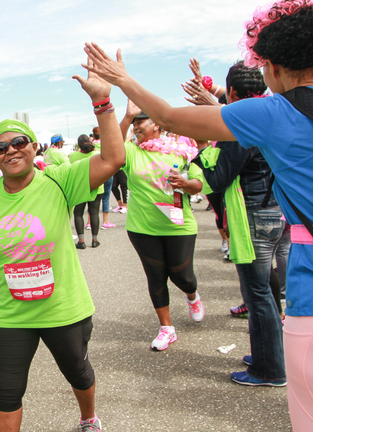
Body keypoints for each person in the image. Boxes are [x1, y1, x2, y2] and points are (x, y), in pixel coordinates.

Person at [82, 1, 312, 428]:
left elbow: (171, 117)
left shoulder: (275, 111)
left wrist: (121, 81)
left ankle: (268, 365)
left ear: (275, 67)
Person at [0, 56, 125, 432]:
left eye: (19, 142)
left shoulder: (60, 180)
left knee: (78, 372)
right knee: (6, 392)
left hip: (64, 309)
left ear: (32, 147)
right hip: (12, 316)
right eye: (1, 148)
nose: (11, 150)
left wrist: (103, 104)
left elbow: (113, 158)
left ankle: (88, 418)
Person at [190, 60, 288, 388]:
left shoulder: (240, 128)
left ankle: (269, 369)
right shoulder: (273, 114)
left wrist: (201, 153)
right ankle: (269, 354)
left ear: (231, 92)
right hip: (278, 213)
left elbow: (218, 179)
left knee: (257, 294)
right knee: (266, 293)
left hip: (253, 218)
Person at [111, 101, 206, 351]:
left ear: (157, 124)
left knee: (182, 276)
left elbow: (198, 184)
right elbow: (112, 147)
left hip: (179, 225)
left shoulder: (181, 150)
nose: (136, 126)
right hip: (143, 227)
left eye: (140, 121)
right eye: (134, 123)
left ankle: (192, 295)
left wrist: (184, 184)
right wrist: (126, 116)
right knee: (156, 277)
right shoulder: (132, 151)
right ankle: (166, 328)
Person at [69, 134, 104, 248]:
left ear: (78, 145)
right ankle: (95, 239)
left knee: (78, 213)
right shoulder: (97, 154)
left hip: (79, 187)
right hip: (97, 187)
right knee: (94, 212)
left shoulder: (73, 156)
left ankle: (81, 241)